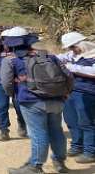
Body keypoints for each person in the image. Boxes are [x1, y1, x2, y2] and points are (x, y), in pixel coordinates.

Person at [0, 27, 72, 174]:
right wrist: (65, 93)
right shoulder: (49, 56)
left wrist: (15, 94)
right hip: (56, 100)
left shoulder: (10, 60)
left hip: (31, 102)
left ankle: (35, 166)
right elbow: (68, 76)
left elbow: (6, 83)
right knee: (57, 131)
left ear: (11, 44)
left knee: (38, 133)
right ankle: (60, 163)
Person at [57, 31, 95, 164]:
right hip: (71, 92)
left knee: (87, 122)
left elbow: (93, 72)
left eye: (73, 47)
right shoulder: (73, 55)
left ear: (81, 44)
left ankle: (90, 151)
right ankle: (77, 145)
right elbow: (59, 58)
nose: (71, 50)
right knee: (71, 120)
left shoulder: (93, 55)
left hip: (88, 93)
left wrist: (71, 67)